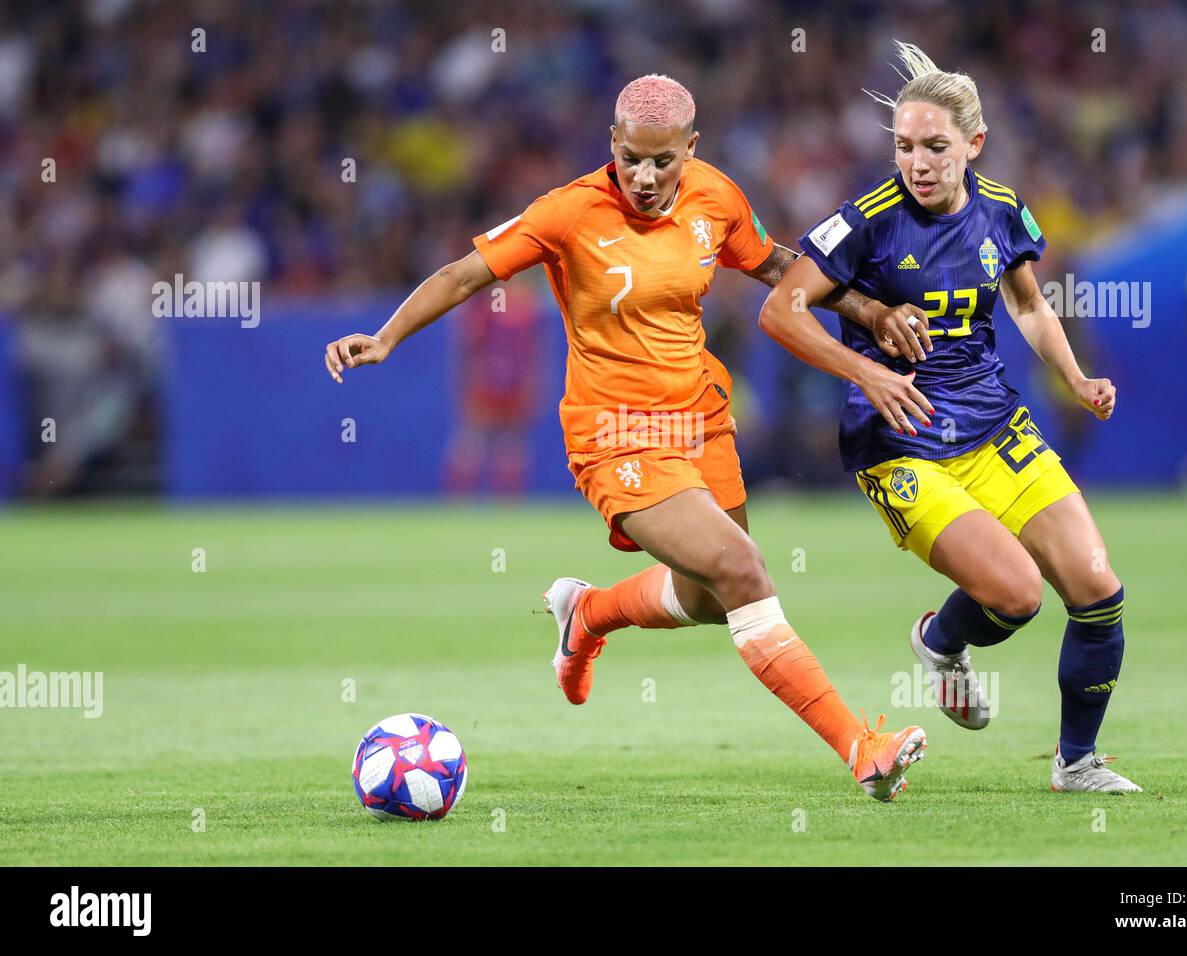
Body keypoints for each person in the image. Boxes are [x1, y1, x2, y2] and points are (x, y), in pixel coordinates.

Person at [324, 74, 929, 800]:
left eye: (662, 161)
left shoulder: (717, 195)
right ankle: (861, 747)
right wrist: (387, 337)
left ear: (689, 149)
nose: (643, 177)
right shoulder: (569, 211)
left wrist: (866, 310)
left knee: (713, 599)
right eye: (630, 158)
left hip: (700, 416)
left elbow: (773, 264)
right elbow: (462, 276)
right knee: (744, 572)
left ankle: (589, 612)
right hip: (616, 432)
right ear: (612, 143)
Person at [758, 43, 1140, 793]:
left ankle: (1078, 764)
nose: (918, 163)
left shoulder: (1001, 211)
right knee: (1018, 595)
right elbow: (781, 308)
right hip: (899, 441)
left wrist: (1074, 376)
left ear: (974, 144)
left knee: (1098, 592)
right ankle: (943, 639)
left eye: (935, 146)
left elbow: (1029, 303)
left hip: (994, 424)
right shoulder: (865, 220)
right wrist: (866, 367)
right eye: (904, 147)